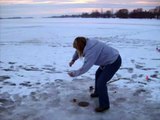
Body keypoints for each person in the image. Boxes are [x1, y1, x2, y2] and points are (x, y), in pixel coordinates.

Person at [68, 37, 122, 112]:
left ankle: (104, 105)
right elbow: (78, 51)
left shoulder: (91, 51)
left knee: (101, 82)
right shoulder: (87, 43)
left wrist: (74, 73)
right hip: (107, 62)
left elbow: (85, 68)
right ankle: (98, 93)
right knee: (98, 74)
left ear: (81, 46)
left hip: (114, 62)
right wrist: (73, 60)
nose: (77, 50)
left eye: (77, 48)